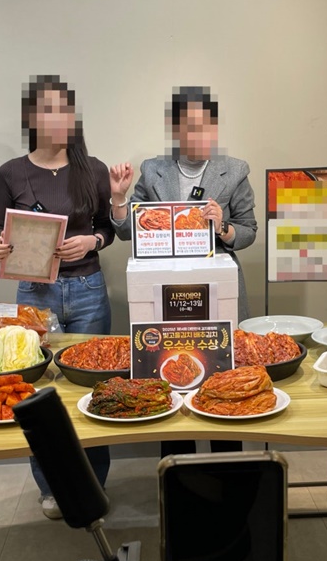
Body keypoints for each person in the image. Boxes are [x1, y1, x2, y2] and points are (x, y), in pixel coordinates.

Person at [109, 85, 258, 455]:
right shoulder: (153, 170)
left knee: (223, 381)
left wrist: (223, 226)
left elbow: (249, 231)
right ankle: (178, 473)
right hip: (165, 295)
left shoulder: (234, 171)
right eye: (190, 127)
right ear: (176, 131)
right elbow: (129, 231)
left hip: (217, 292)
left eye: (207, 127)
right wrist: (119, 199)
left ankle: (228, 471)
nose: (200, 135)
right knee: (171, 384)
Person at [0, 75, 114, 519]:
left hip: (87, 290)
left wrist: (92, 242)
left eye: (65, 110)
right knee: (38, 392)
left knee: (93, 387)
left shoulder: (93, 169)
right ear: (32, 118)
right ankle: (50, 488)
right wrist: (0, 246)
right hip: (35, 293)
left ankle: (94, 485)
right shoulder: (11, 173)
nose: (58, 119)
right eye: (48, 110)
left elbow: (108, 228)